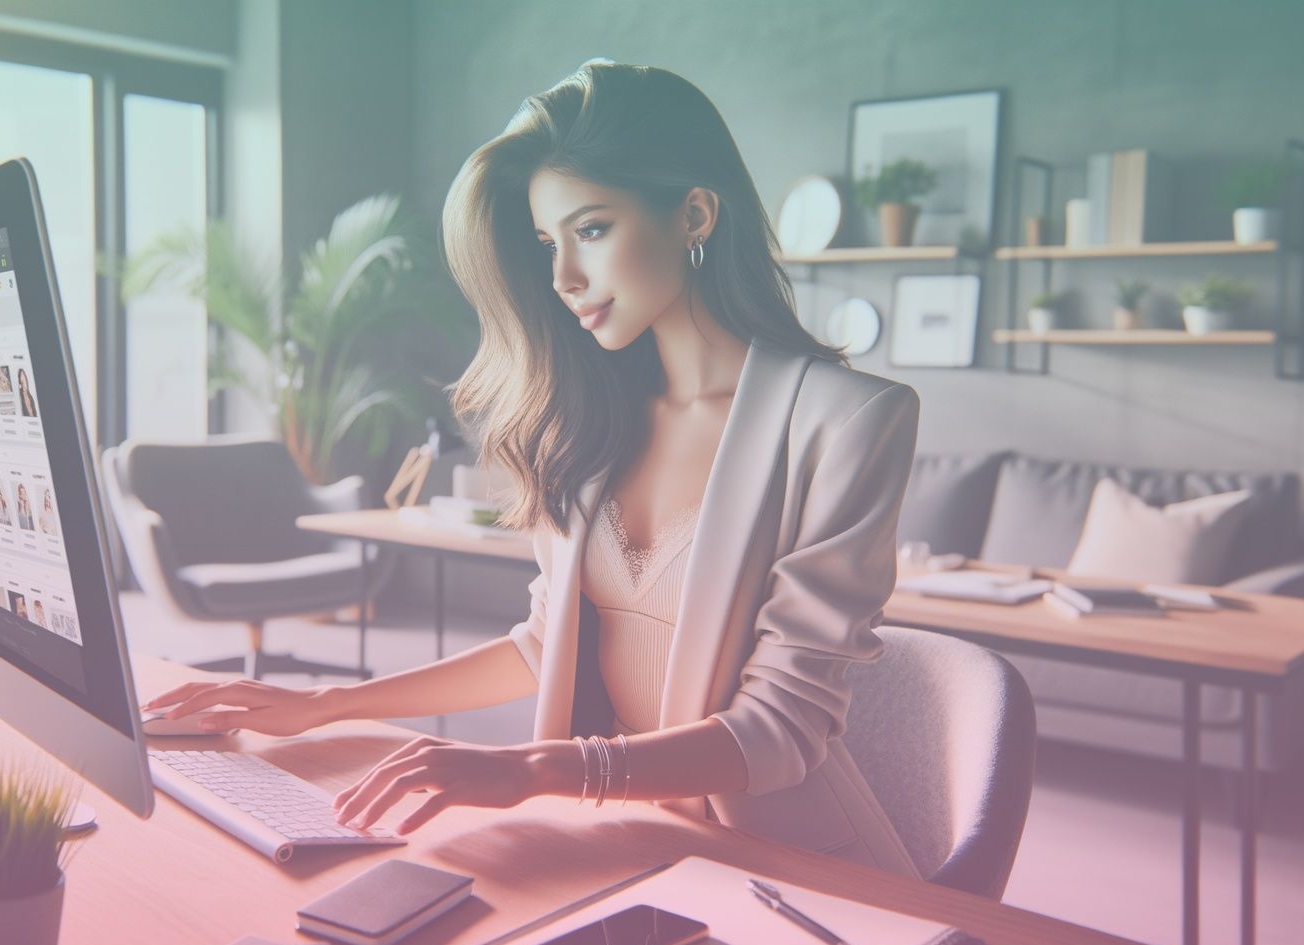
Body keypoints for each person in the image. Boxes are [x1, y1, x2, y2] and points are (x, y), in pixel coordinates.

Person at [142, 61, 920, 876]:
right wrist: (327, 707)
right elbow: (543, 646)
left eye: (591, 230)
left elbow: (783, 728)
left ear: (695, 212)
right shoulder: (590, 419)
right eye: (550, 243)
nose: (563, 279)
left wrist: (532, 770)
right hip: (633, 836)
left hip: (789, 866)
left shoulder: (850, 421)